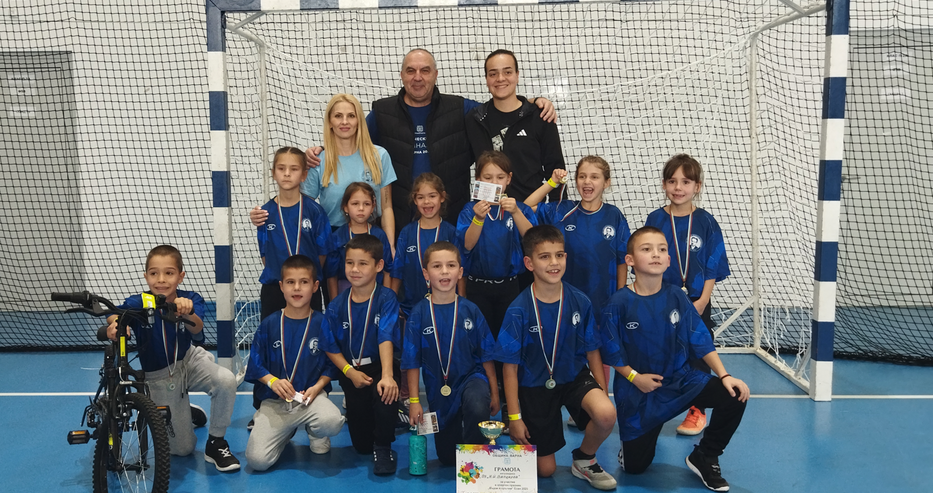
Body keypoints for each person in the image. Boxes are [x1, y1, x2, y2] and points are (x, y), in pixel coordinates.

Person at [306, 48, 556, 235]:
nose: (418, 77)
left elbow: (500, 108)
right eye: (411, 71)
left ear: (435, 75)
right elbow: (353, 137)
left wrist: (532, 103)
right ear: (402, 75)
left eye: (425, 70)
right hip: (400, 220)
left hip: (451, 218)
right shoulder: (382, 113)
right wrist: (322, 151)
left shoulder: (459, 108)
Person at [600, 227, 748, 492]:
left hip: (681, 382)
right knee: (635, 467)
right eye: (647, 249)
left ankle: (705, 455)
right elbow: (611, 351)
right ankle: (637, 441)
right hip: (640, 391)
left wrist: (725, 375)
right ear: (630, 260)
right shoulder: (618, 302)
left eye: (662, 249)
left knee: (734, 394)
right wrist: (636, 378)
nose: (656, 254)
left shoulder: (677, 296)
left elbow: (700, 338)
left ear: (669, 260)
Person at [495, 225, 618, 491]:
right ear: (529, 263)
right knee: (546, 471)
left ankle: (584, 459)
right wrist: (514, 417)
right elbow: (509, 369)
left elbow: (592, 350)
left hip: (573, 377)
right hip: (535, 386)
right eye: (545, 256)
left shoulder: (580, 301)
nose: (554, 262)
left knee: (606, 413)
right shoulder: (518, 310)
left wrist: (601, 390)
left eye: (559, 255)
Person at [105, 245, 240, 472]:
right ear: (146, 276)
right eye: (154, 273)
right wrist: (115, 324)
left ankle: (216, 442)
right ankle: (185, 411)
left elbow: (197, 329)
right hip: (159, 376)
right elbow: (114, 313)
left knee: (226, 380)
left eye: (169, 273)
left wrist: (188, 312)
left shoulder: (190, 299)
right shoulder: (139, 303)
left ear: (180, 276)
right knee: (182, 449)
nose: (161, 279)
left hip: (189, 360)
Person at [525, 157, 631, 421]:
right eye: (582, 176)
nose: (587, 182)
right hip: (565, 300)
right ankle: (566, 401)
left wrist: (620, 295)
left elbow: (622, 259)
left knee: (599, 351)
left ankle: (593, 402)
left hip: (603, 299)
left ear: (606, 182)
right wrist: (551, 183)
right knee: (566, 348)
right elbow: (527, 206)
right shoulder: (561, 210)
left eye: (594, 177)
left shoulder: (614, 216)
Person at [643, 154, 731, 436]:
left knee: (697, 352)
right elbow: (645, 259)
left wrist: (703, 300)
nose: (678, 187)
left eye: (685, 182)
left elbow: (713, 263)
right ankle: (655, 405)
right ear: (664, 185)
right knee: (658, 350)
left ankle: (697, 409)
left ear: (697, 186)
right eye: (672, 181)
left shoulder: (706, 222)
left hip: (696, 300)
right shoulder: (656, 219)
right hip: (661, 299)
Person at [251, 93, 398, 252]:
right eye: (338, 116)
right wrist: (266, 213)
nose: (344, 121)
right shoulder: (318, 160)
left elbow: (387, 207)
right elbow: (300, 206)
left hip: (371, 237)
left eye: (351, 116)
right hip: (333, 240)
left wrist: (390, 246)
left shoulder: (379, 156)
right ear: (330, 122)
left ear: (359, 121)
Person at [244, 255, 345, 471]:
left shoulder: (323, 323)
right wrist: (272, 382)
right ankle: (282, 430)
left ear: (315, 286)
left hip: (311, 398)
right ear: (281, 286)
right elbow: (255, 363)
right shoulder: (269, 324)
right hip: (276, 402)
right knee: (257, 461)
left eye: (304, 282)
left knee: (332, 421)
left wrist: (318, 387)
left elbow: (331, 365)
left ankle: (315, 431)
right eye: (290, 282)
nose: (297, 288)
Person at [402, 241, 498, 467]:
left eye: (451, 265)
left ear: (460, 272)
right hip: (440, 389)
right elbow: (411, 362)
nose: (444, 271)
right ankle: (458, 434)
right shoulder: (418, 314)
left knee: (477, 405)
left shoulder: (470, 310)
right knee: (448, 459)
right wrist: (414, 401)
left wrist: (494, 393)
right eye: (437, 266)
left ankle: (476, 457)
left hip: (471, 378)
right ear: (426, 273)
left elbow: (486, 356)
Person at [320, 234, 401, 475]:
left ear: (379, 266)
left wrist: (387, 375)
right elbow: (329, 346)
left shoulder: (387, 298)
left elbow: (385, 335)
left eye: (363, 263)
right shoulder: (336, 306)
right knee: (362, 446)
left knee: (386, 395)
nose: (354, 269)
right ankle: (385, 422)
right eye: (349, 263)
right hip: (351, 371)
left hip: (380, 366)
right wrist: (349, 372)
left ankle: (384, 447)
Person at [465, 49, 566, 203]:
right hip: (490, 212)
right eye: (493, 74)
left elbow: (556, 170)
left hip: (531, 210)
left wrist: (557, 211)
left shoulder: (540, 116)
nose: (500, 78)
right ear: (486, 79)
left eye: (507, 72)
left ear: (517, 75)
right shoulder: (475, 119)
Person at [256, 146, 331, 318]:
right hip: (275, 288)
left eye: (294, 169)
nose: (287, 174)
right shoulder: (265, 214)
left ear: (304, 175)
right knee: (273, 332)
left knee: (310, 332)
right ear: (273, 173)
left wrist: (304, 277)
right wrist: (286, 278)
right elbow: (265, 254)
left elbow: (322, 252)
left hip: (308, 288)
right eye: (281, 169)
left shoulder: (315, 211)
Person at [392, 172, 464, 320]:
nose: (426, 202)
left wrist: (462, 298)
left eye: (432, 196)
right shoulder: (407, 232)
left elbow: (461, 269)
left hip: (446, 303)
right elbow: (397, 270)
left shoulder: (451, 232)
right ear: (414, 200)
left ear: (442, 197)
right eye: (420, 197)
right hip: (411, 306)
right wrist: (392, 300)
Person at [323, 182, 394, 301]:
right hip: (345, 292)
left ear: (373, 207)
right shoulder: (337, 237)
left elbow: (387, 270)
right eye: (355, 204)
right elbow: (331, 275)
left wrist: (386, 300)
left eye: (366, 204)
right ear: (345, 207)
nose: (361, 208)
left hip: (376, 293)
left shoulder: (379, 235)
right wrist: (335, 302)